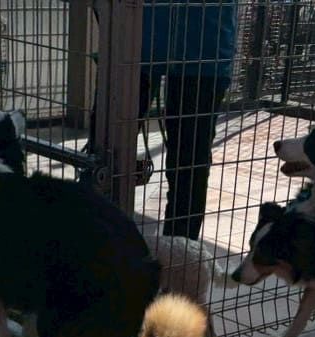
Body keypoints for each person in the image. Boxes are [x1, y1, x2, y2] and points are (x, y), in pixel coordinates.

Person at [90, 0, 238, 241]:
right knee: (105, 154)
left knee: (188, 161)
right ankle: (98, 239)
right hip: (151, 38)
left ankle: (178, 250)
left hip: (194, 43)